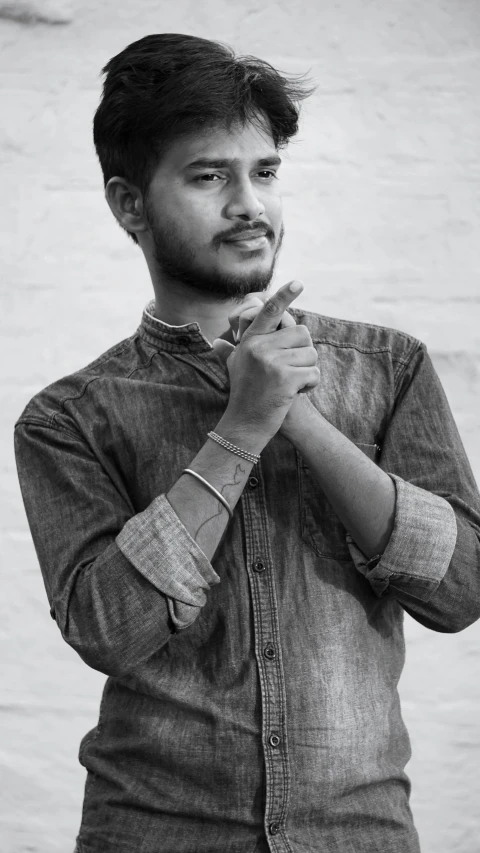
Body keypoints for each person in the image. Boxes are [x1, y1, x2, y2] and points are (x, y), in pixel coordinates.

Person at [14, 33, 480, 853]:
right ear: (129, 205)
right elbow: (109, 628)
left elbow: (462, 588)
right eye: (208, 176)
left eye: (264, 172)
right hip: (152, 833)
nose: (250, 205)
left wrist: (300, 418)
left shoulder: (389, 367)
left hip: (359, 835)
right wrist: (243, 427)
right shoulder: (67, 418)